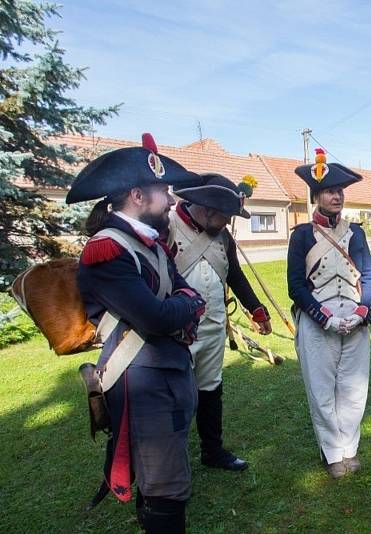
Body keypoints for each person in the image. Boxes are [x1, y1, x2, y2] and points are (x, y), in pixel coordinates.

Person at [68, 134, 206, 532]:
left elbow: (183, 292)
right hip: (140, 378)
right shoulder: (107, 249)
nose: (171, 199)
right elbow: (158, 317)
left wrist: (183, 304)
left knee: (163, 471)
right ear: (137, 196)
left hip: (165, 370)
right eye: (163, 190)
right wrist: (187, 307)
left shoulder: (149, 244)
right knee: (165, 484)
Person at [168, 173, 272, 471]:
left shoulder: (224, 237)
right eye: (226, 215)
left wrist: (256, 309)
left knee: (210, 389)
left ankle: (212, 452)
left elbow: (235, 275)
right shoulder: (167, 228)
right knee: (175, 397)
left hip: (213, 325)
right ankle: (170, 461)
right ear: (207, 207)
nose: (228, 222)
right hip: (175, 332)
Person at [286, 149, 371, 478]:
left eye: (340, 191)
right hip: (318, 320)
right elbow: (295, 285)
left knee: (354, 389)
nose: (336, 196)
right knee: (322, 389)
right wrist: (324, 317)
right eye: (329, 191)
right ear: (316, 196)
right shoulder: (302, 236)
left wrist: (363, 310)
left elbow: (367, 275)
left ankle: (349, 448)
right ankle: (331, 451)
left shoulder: (357, 233)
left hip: (355, 319)